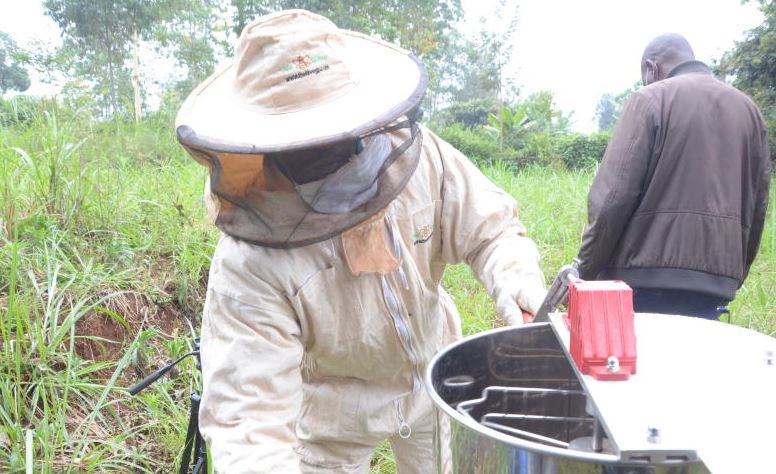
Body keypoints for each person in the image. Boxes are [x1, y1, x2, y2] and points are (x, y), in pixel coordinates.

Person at [175, 10, 547, 473]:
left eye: (334, 126)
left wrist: (516, 280)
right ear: (264, 143)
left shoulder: (423, 159)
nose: (324, 144)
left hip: (433, 380)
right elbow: (249, 418)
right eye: (301, 137)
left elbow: (490, 230)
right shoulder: (248, 261)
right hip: (331, 414)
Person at [577, 33, 771, 319]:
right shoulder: (749, 111)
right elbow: (758, 204)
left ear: (651, 68)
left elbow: (613, 198)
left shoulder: (650, 99)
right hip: (714, 287)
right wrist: (734, 274)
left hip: (642, 282)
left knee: (644, 350)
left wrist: (584, 270)